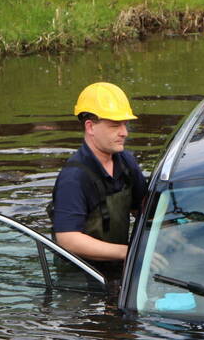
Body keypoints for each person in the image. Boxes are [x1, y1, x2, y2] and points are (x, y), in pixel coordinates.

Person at [50, 82, 147, 278]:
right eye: (115, 125)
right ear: (90, 127)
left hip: (119, 267)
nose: (124, 132)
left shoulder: (126, 162)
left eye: (125, 124)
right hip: (81, 278)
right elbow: (67, 238)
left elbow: (143, 210)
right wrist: (128, 252)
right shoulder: (74, 177)